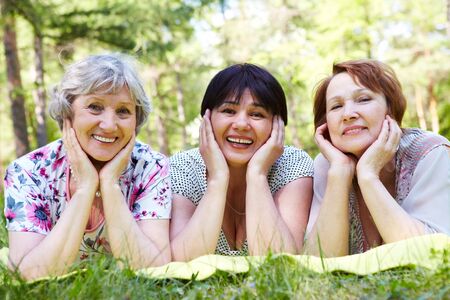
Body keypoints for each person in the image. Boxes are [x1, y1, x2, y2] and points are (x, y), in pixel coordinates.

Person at [4, 54, 171, 280]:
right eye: (95, 107)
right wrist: (86, 187)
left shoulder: (152, 167)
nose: (109, 125)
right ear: (68, 113)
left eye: (123, 111)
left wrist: (110, 184)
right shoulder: (28, 172)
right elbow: (30, 273)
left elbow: (153, 267)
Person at [304, 59, 450, 257]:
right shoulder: (328, 164)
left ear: (389, 109)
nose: (348, 114)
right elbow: (318, 261)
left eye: (363, 99)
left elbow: (429, 253)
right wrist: (339, 173)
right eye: (336, 106)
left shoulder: (430, 152)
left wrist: (368, 175)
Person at [169, 63, 313, 260]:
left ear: (276, 124)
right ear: (207, 119)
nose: (241, 124)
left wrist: (257, 174)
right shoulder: (182, 167)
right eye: (229, 110)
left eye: (257, 114)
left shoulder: (293, 164)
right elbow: (182, 261)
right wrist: (218, 179)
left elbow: (281, 263)